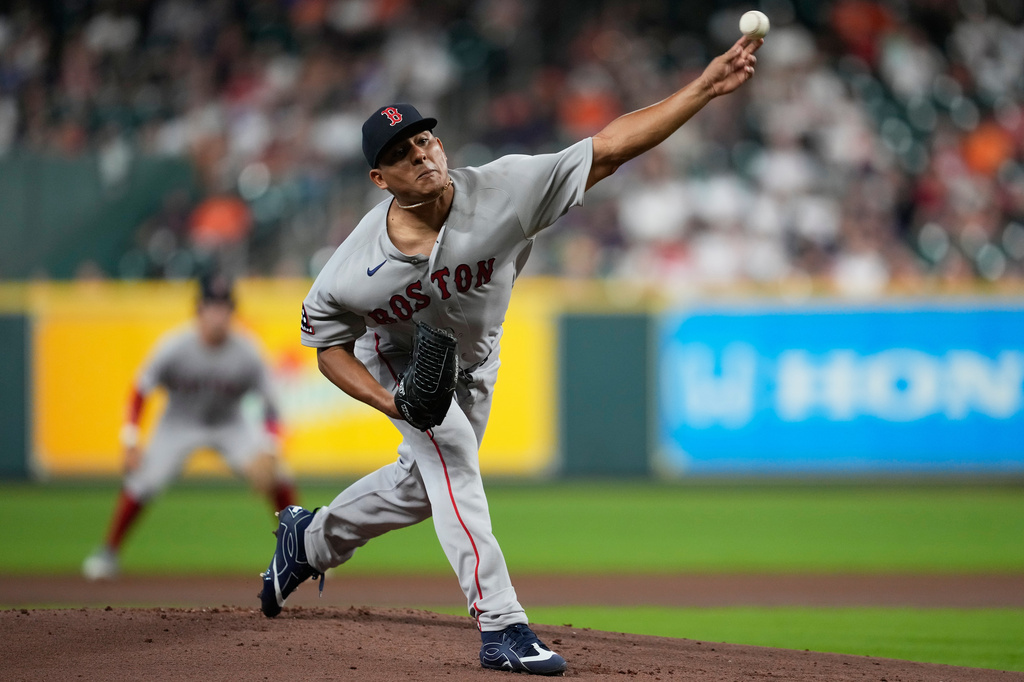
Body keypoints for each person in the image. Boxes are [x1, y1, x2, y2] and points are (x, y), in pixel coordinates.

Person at [258, 35, 762, 675]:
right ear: (379, 180)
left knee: (419, 490)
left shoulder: (506, 189)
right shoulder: (353, 269)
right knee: (454, 458)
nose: (419, 155)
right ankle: (501, 626)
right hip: (397, 359)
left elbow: (606, 148)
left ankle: (308, 540)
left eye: (422, 140)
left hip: (474, 361)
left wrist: (705, 87)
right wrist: (395, 402)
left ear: (438, 143)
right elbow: (328, 347)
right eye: (398, 154)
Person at [83, 274, 297, 580]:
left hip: (230, 423)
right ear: (198, 309)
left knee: (279, 475)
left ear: (233, 311)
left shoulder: (248, 351)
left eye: (224, 306)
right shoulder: (174, 346)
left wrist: (271, 447)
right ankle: (108, 552)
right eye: (212, 305)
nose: (218, 313)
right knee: (142, 481)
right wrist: (130, 439)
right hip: (178, 423)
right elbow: (141, 389)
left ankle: (302, 551)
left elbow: (272, 408)